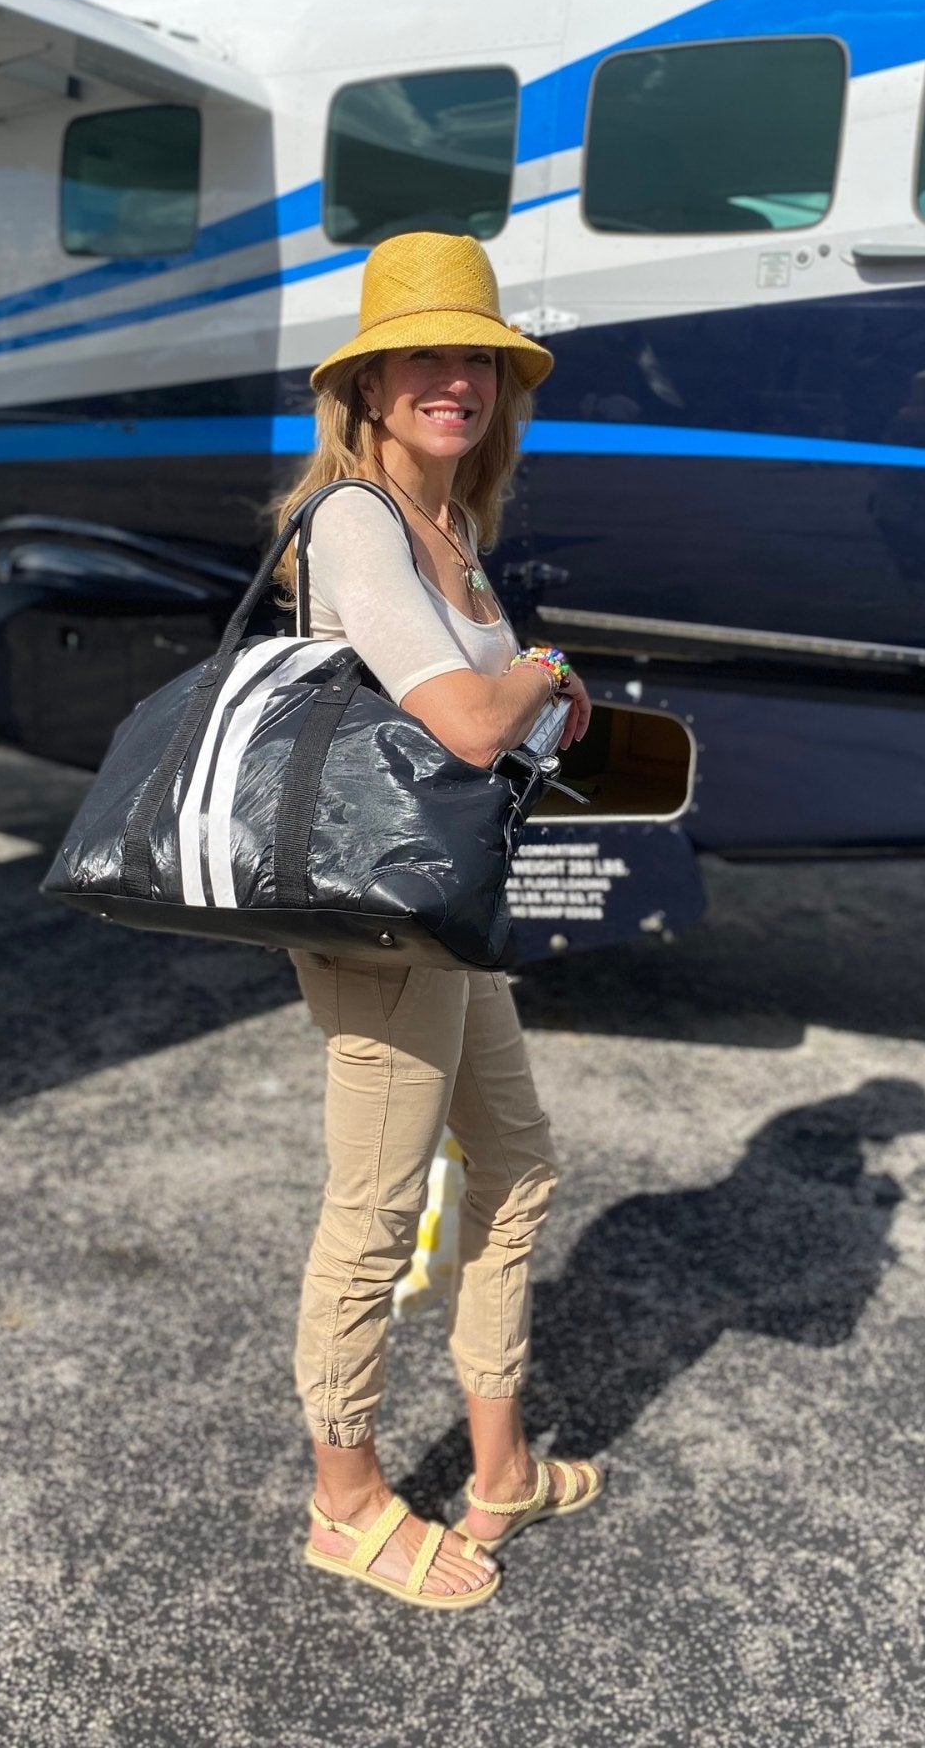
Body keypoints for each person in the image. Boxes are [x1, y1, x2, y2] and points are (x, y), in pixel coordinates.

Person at [272, 230, 602, 1609]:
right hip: (378, 915)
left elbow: (492, 721)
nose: (454, 378)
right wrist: (535, 673)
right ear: (368, 382)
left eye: (475, 355)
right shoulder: (354, 520)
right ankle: (343, 1502)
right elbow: (468, 722)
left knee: (518, 1166)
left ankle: (499, 1463)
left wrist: (548, 697)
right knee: (376, 1201)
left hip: (446, 908)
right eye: (425, 353)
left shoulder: (450, 532)